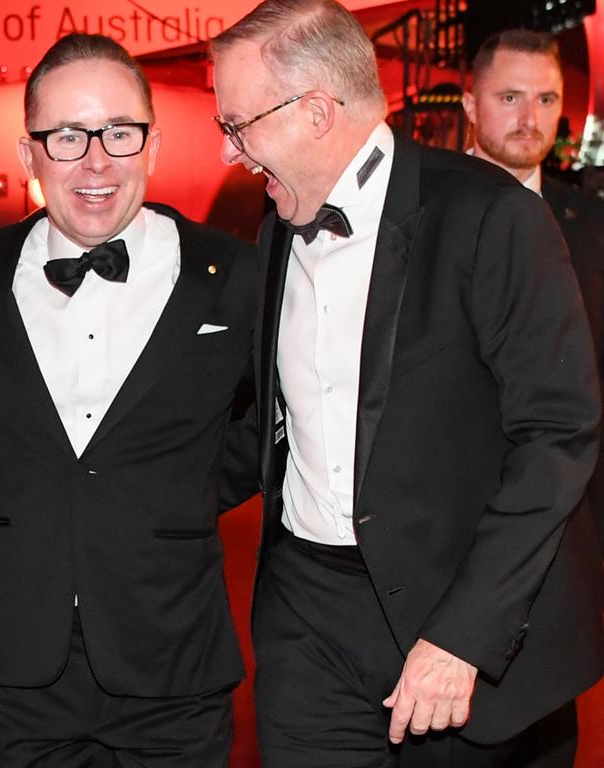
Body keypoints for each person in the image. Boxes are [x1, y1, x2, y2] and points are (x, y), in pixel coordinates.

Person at [210, 1, 603, 766]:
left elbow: (557, 436)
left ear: (316, 111)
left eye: (238, 125)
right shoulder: (272, 231)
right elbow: (278, 423)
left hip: (456, 613)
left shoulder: (490, 219)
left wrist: (465, 634)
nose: (232, 152)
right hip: (306, 622)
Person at [0, 32, 259, 767]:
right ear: (29, 153)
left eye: (118, 133)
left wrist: (183, 490)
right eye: (68, 136)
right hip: (25, 670)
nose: (97, 160)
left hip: (176, 659)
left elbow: (272, 423)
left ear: (153, 145)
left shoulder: (231, 273)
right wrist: (18, 509)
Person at [463, 29, 604, 556]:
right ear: (470, 104)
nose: (530, 119)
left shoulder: (593, 225)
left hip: (570, 524)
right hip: (447, 518)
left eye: (546, 99)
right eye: (509, 98)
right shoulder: (415, 216)